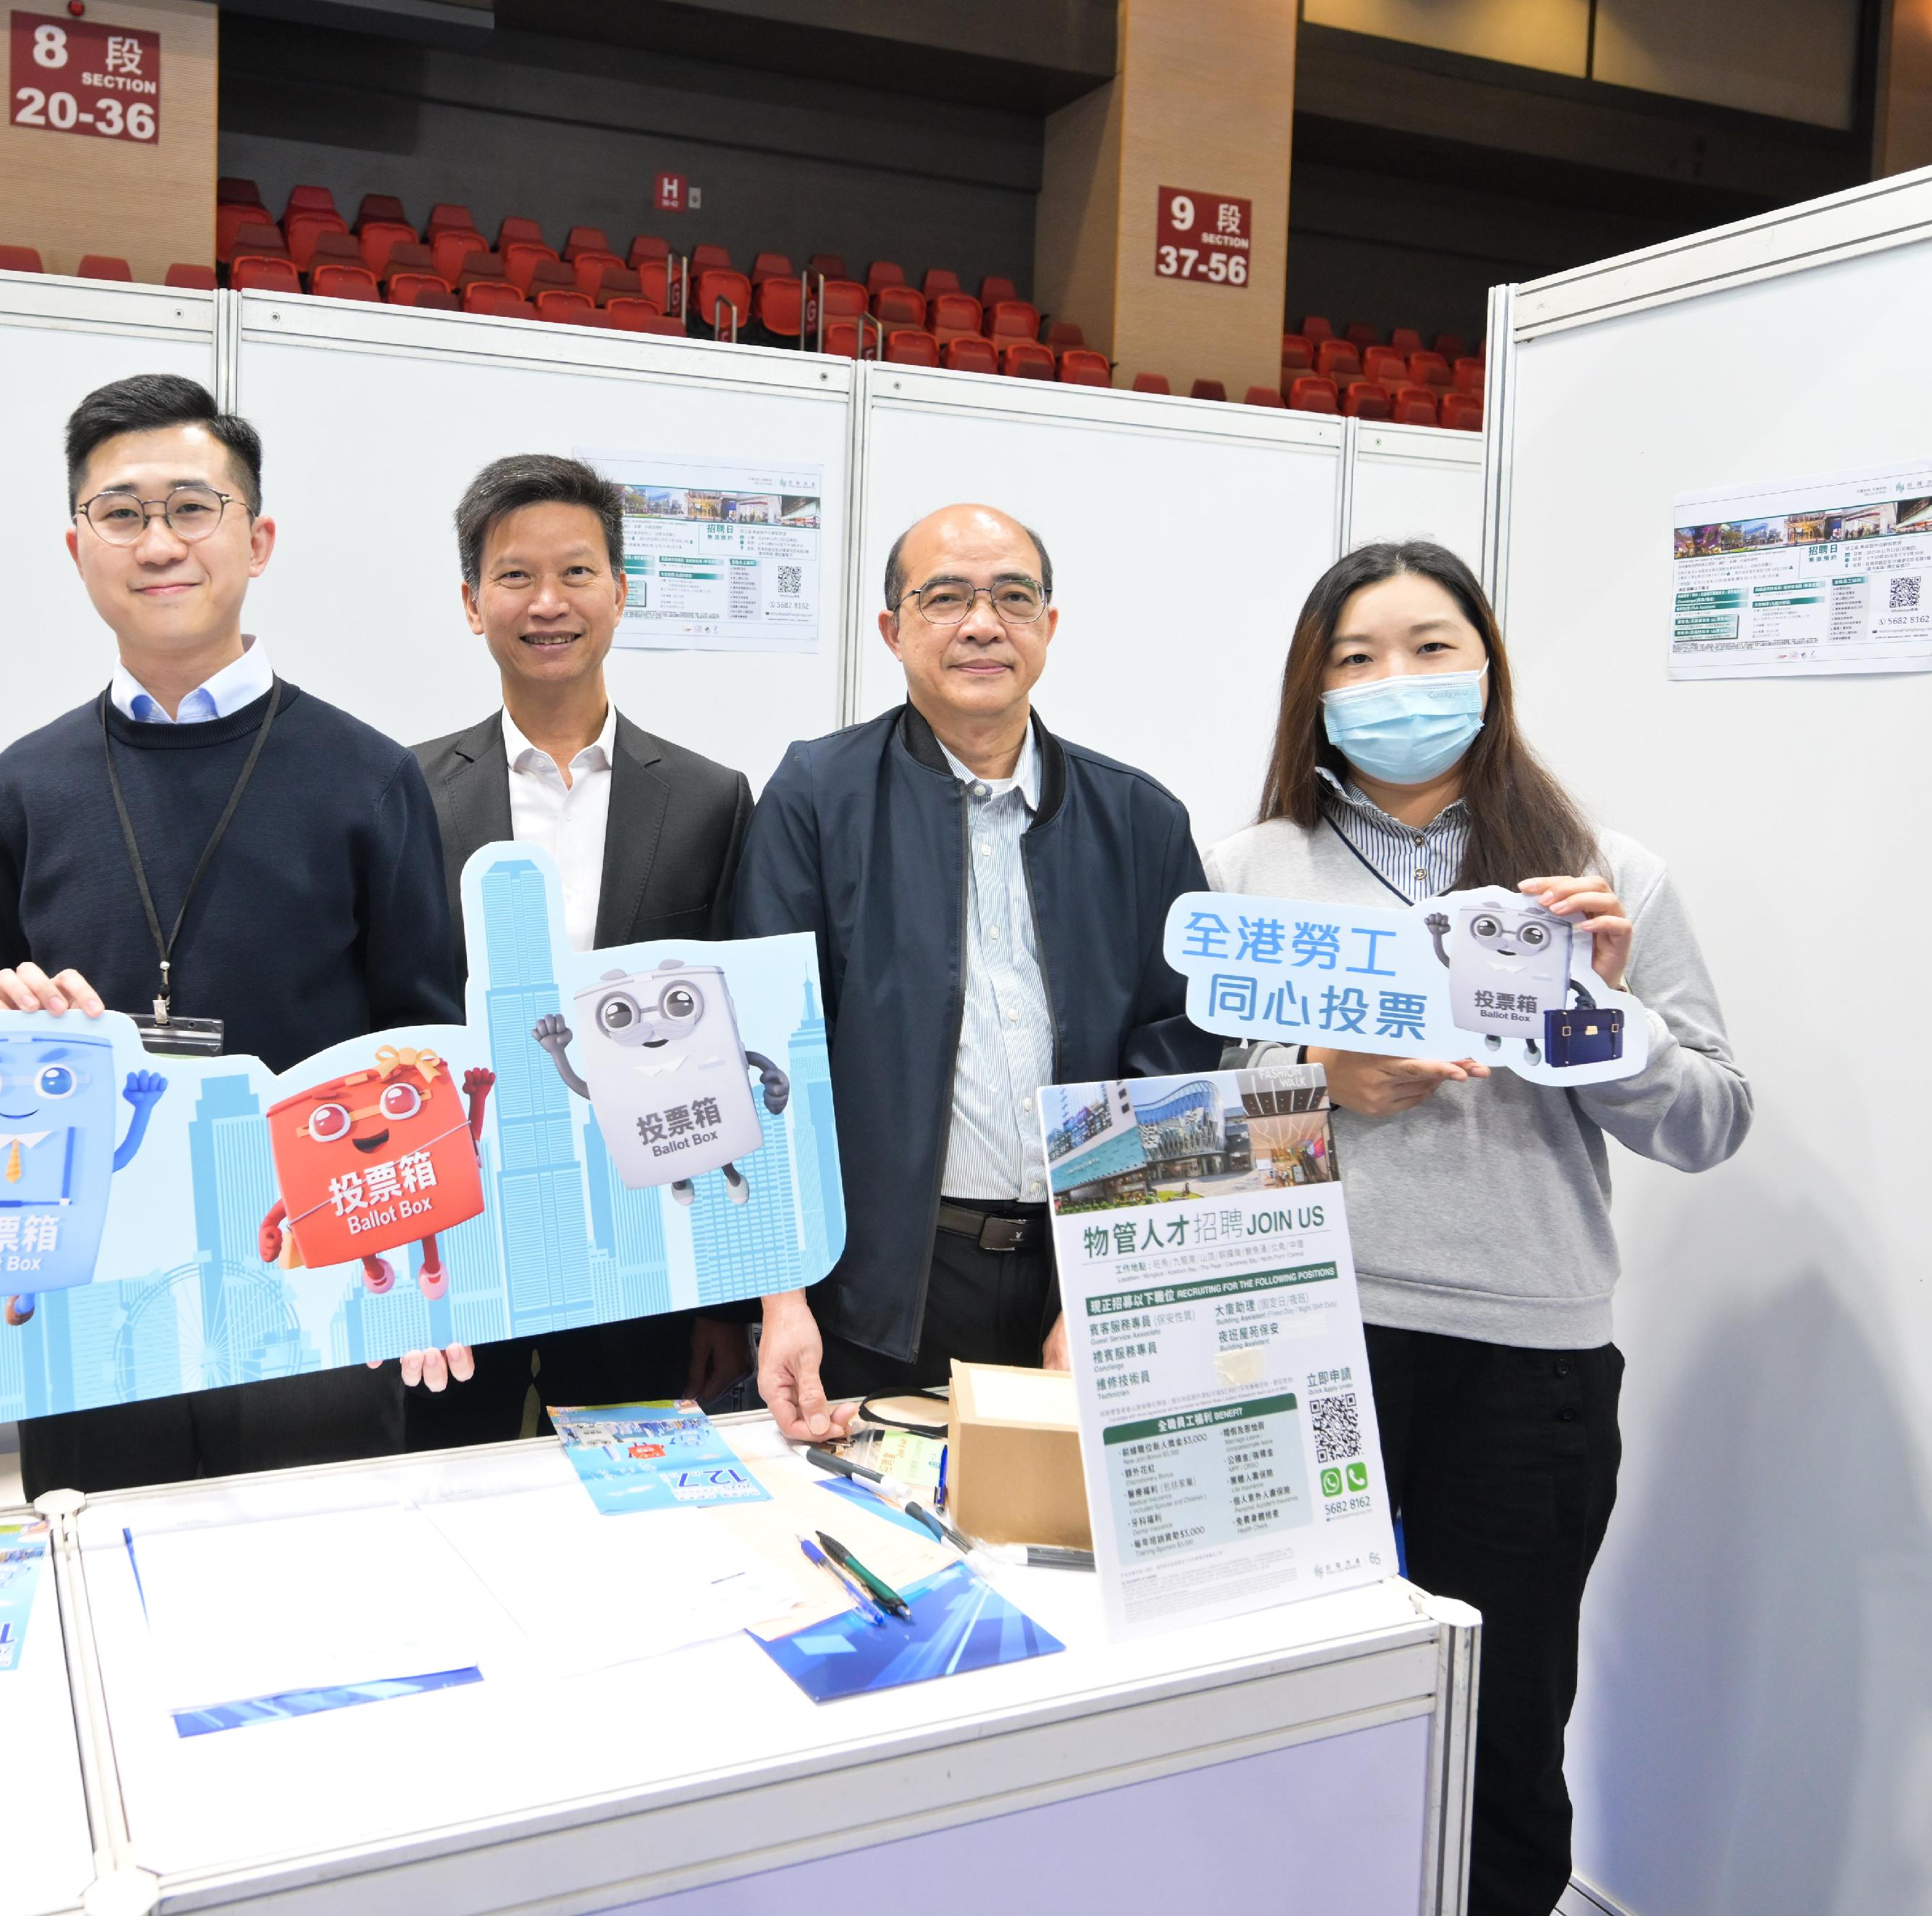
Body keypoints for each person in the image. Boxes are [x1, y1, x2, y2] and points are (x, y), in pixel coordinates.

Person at [1208, 540, 1747, 1916]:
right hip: (1295, 1342)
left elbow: (1709, 1119)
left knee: (1505, 1736)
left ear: (1490, 667)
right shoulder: (1252, 870)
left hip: (1524, 1362)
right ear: (1312, 692)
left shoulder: (1596, 874)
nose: (1397, 682)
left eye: (1431, 647)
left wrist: (1594, 1018)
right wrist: (1316, 1090)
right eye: (1357, 657)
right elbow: (1183, 1130)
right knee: (1283, 1716)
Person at [0, 374, 463, 1497]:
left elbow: (421, 1041)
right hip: (93, 1308)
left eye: (194, 508)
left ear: (258, 537)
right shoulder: (24, 787)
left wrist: (431, 1276)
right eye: (122, 513)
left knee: (315, 1614)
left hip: (316, 1285)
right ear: (77, 546)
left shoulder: (368, 777)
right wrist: (19, 1037)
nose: (159, 543)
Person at [731, 502, 1215, 1440]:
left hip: (1076, 1279)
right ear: (893, 629)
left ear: (1049, 627)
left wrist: (1104, 1288)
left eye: (1011, 598)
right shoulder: (817, 799)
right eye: (945, 598)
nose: (981, 624)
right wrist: (780, 1299)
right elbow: (762, 1061)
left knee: (1057, 1564)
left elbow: (1174, 1065)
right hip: (877, 1288)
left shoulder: (1141, 820)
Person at [410, 453, 758, 1444]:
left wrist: (719, 1299)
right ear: (474, 603)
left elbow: (730, 1047)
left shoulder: (707, 800)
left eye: (577, 573)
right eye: (516, 576)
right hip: (461, 1228)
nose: (548, 602)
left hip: (637, 1233)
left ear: (620, 593)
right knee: (443, 1488)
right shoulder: (404, 790)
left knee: (636, 1512)